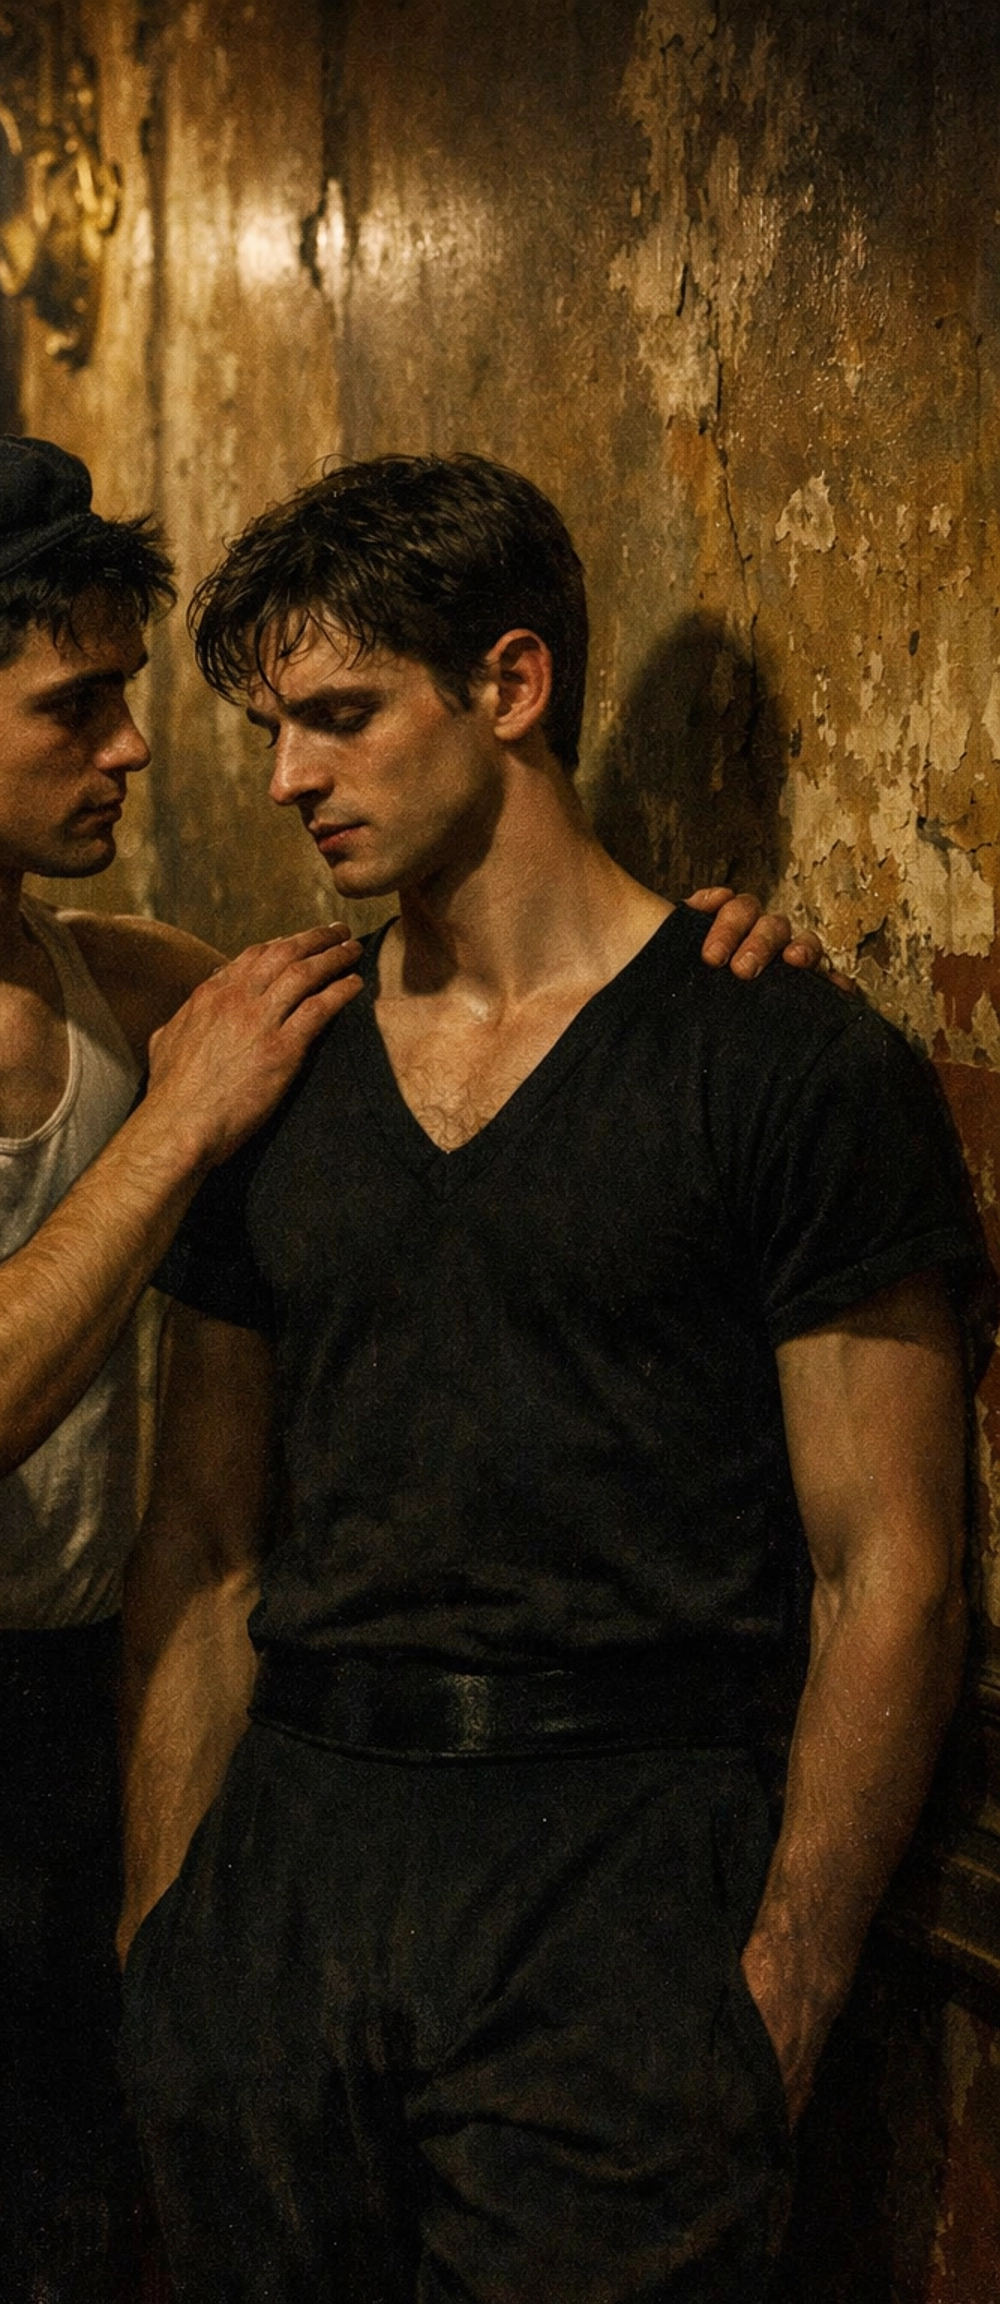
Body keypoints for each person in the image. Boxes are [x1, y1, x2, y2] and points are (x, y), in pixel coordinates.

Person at [0, 433, 813, 2304]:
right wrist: (168, 1137)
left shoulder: (133, 984)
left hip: (74, 1729)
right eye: (76, 708)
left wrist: (712, 951)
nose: (137, 751)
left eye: (128, 700)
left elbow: (476, 991)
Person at [117, 453, 989, 2304]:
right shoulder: (276, 1068)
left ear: (511, 690)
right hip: (296, 1859)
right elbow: (200, 1538)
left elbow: (890, 1567)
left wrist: (780, 1993)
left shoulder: (779, 1065)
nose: (288, 779)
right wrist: (166, 1940)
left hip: (627, 1869)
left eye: (340, 718)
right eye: (275, 727)